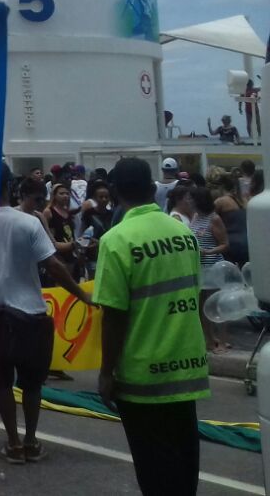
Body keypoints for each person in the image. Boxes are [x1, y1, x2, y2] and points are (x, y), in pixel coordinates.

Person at [94, 158, 208, 496]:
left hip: (143, 376)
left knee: (155, 471)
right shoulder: (184, 234)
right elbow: (195, 295)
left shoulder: (116, 241)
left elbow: (113, 315)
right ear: (151, 189)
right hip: (186, 366)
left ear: (114, 193)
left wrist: (106, 372)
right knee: (185, 463)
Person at [0, 172, 92, 465]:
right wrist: (82, 295)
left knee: (2, 384)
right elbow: (53, 265)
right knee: (33, 385)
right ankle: (31, 441)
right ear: (10, 188)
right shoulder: (28, 223)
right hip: (31, 315)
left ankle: (12, 443)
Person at [186, 187, 230, 354]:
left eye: (191, 199)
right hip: (199, 266)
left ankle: (224, 342)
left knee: (217, 305)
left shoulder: (214, 219)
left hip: (213, 266)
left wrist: (208, 251)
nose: (189, 202)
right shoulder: (196, 217)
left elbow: (225, 244)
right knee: (202, 306)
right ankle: (210, 340)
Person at [42, 182, 81, 284]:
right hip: (58, 257)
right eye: (61, 193)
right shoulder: (48, 212)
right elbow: (49, 239)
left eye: (67, 194)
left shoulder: (67, 211)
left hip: (71, 255)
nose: (65, 196)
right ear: (54, 196)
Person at [209, 169, 248, 265]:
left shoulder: (220, 201)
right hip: (246, 242)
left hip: (231, 245)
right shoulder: (242, 200)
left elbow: (208, 218)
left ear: (221, 187)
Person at [76, 180, 114, 278]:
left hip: (109, 254)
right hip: (92, 256)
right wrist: (81, 252)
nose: (104, 199)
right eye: (101, 197)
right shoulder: (89, 214)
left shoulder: (112, 215)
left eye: (106, 197)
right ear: (95, 198)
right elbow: (82, 233)